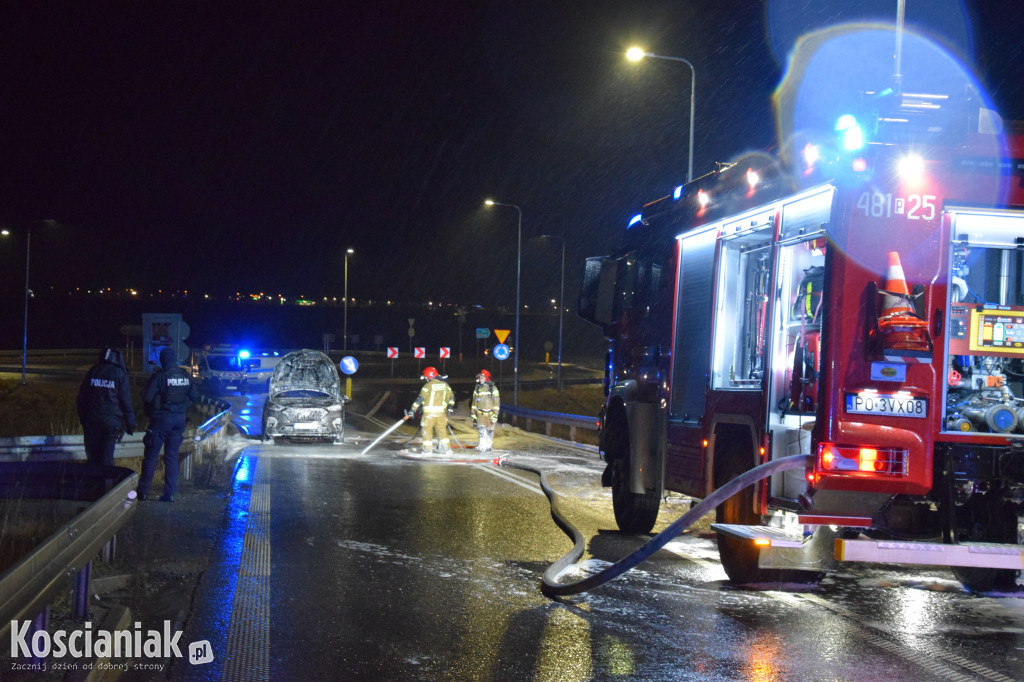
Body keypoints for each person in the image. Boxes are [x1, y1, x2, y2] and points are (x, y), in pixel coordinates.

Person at [138, 346, 199, 502]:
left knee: (151, 456)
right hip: (179, 420)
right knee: (172, 457)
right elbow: (195, 396)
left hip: (161, 420)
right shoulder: (185, 376)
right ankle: (169, 493)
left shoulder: (160, 376)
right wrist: (183, 408)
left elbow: (147, 397)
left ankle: (143, 492)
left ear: (163, 360)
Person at [76, 346, 137, 466]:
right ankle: (108, 483)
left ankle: (93, 483)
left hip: (92, 421)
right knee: (107, 457)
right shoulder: (120, 374)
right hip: (111, 422)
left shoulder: (93, 371)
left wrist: (84, 419)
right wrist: (131, 424)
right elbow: (126, 401)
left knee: (92, 458)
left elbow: (81, 398)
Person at [406, 366, 454, 454]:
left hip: (429, 414)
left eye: (426, 377)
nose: (426, 379)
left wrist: (413, 410)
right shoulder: (445, 385)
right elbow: (451, 397)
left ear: (429, 376)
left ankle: (427, 450)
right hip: (441, 414)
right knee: (441, 430)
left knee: (427, 430)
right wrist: (450, 408)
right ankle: (446, 449)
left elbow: (420, 399)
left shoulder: (427, 386)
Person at [470, 369, 500, 452]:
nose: (480, 379)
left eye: (482, 377)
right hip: (481, 414)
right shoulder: (477, 388)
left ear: (486, 378)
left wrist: (495, 414)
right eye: (479, 378)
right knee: (482, 430)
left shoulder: (493, 388)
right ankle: (482, 446)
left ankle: (488, 446)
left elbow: (496, 403)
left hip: (490, 414)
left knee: (490, 431)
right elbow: (474, 401)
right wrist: (473, 412)